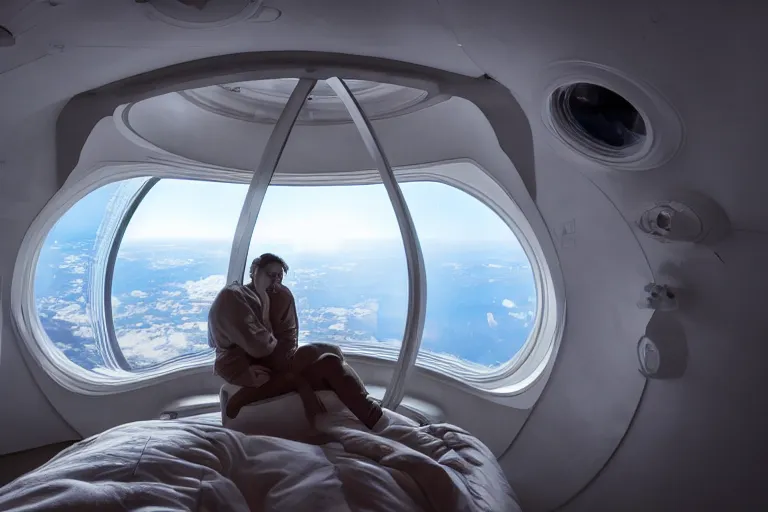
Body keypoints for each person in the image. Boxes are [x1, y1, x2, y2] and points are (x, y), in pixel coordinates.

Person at [208, 253, 383, 430]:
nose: (275, 281)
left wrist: (288, 361)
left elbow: (289, 339)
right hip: (242, 366)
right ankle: (372, 417)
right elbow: (259, 347)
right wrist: (266, 303)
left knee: (332, 354)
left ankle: (371, 412)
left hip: (276, 361)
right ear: (254, 271)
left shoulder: (282, 296)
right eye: (270, 275)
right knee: (327, 364)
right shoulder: (233, 296)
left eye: (279, 276)